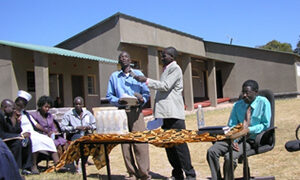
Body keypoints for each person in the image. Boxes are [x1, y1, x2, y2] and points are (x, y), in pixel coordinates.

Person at [134, 47, 196, 180]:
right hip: (166, 115)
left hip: (174, 115)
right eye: (161, 55)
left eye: (164, 56)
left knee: (180, 146)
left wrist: (146, 80)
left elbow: (165, 85)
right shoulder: (167, 70)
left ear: (172, 57)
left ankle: (190, 175)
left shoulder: (175, 69)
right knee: (169, 146)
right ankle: (177, 173)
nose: (161, 58)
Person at [206, 80, 271, 180]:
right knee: (212, 151)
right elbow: (232, 125)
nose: (244, 95)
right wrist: (234, 139)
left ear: (256, 92)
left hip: (251, 139)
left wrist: (249, 129)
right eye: (243, 92)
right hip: (235, 137)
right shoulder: (237, 105)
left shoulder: (263, 102)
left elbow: (265, 125)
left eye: (247, 93)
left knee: (229, 157)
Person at [106, 51, 151, 180]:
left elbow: (146, 93)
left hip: (136, 112)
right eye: (121, 57)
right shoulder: (114, 77)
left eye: (126, 56)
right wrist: (117, 100)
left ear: (130, 60)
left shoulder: (139, 74)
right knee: (125, 144)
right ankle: (132, 173)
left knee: (140, 142)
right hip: (122, 112)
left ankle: (144, 174)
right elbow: (109, 95)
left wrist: (142, 99)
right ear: (119, 61)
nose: (124, 58)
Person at [15, 90, 60, 174]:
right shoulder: (14, 114)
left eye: (22, 106)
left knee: (48, 140)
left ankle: (58, 164)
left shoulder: (26, 114)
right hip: (23, 134)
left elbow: (36, 125)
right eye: (18, 105)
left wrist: (48, 131)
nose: (20, 108)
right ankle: (33, 165)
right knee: (35, 140)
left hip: (32, 132)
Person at [60, 96, 96, 171]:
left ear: (83, 105)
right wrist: (75, 127)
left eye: (79, 104)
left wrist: (88, 127)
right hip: (73, 134)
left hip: (86, 133)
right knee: (80, 140)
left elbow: (94, 125)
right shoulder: (69, 114)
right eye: (76, 104)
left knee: (92, 142)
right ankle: (76, 162)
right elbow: (63, 127)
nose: (78, 106)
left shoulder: (87, 114)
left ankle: (84, 161)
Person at [0, 99, 33, 175]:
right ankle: (17, 169)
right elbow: (1, 134)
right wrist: (19, 136)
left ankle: (26, 167)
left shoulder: (7, 117)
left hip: (7, 140)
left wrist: (17, 121)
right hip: (2, 142)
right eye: (13, 108)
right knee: (17, 143)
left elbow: (14, 131)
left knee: (27, 140)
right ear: (5, 107)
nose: (15, 110)